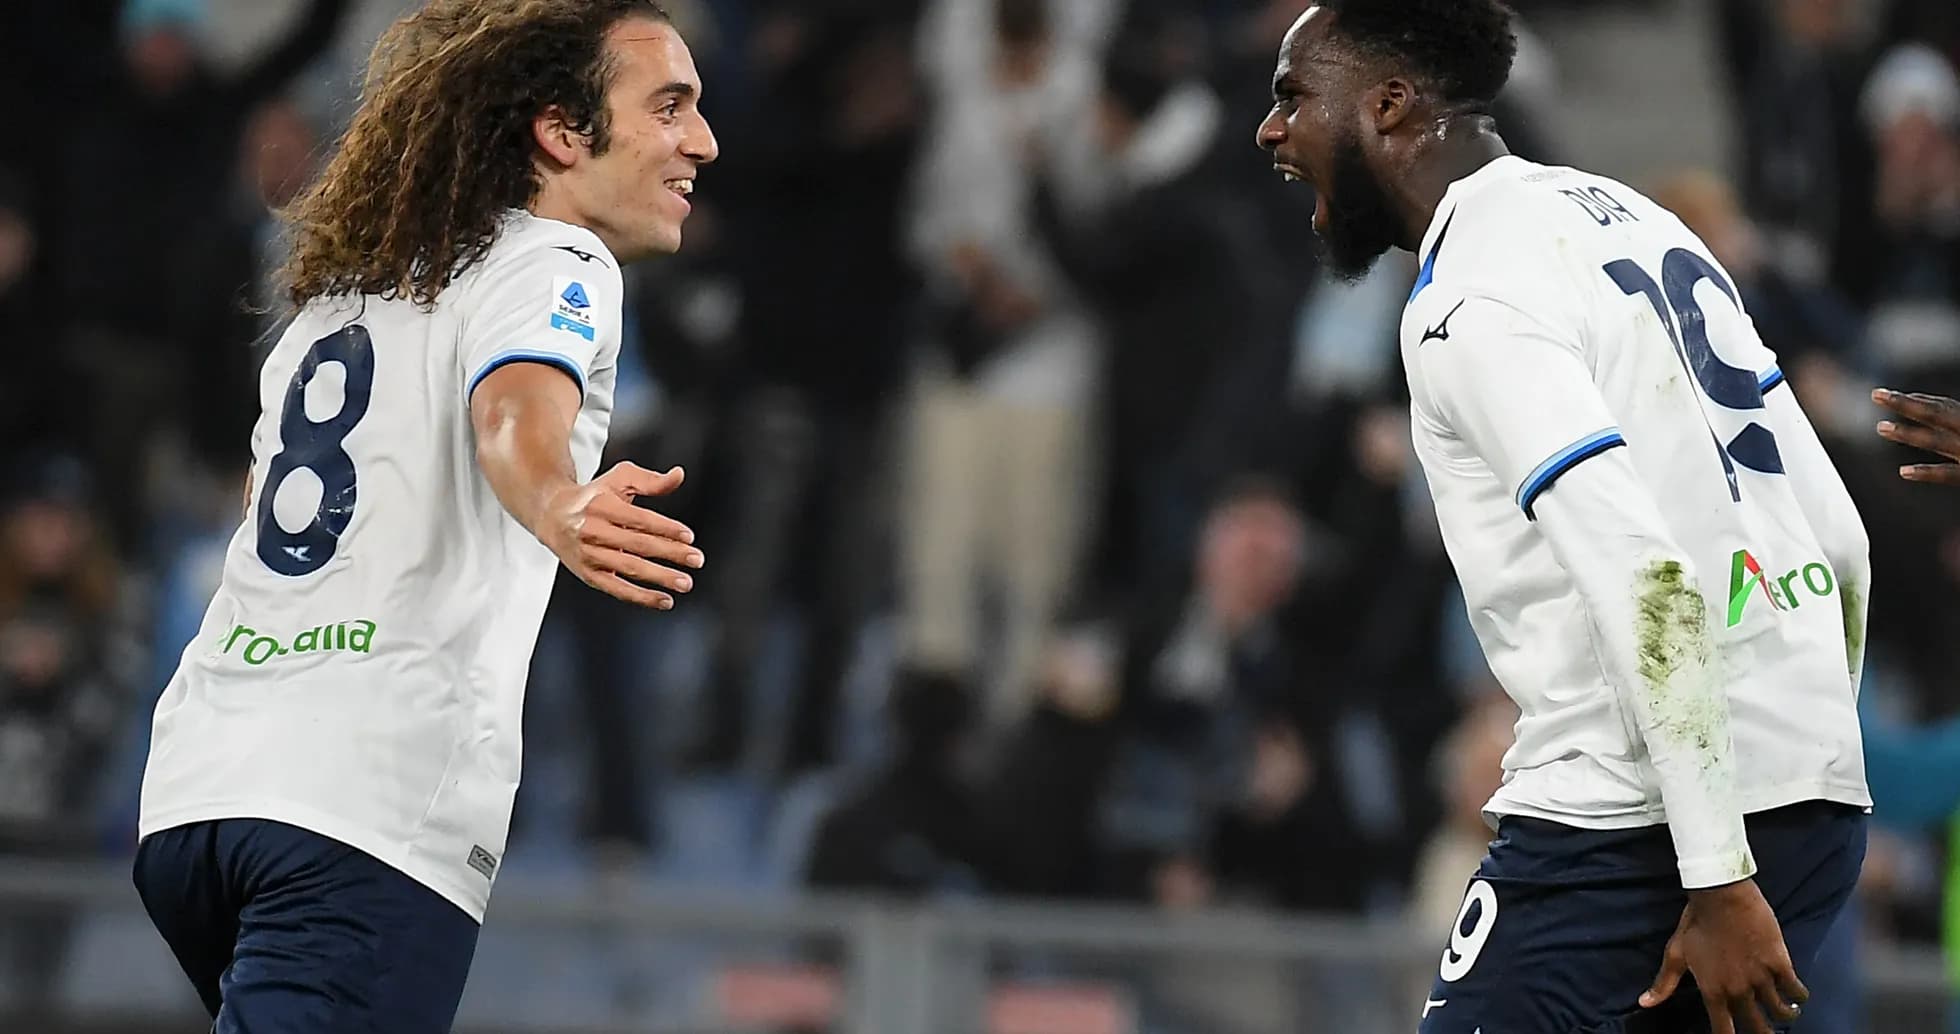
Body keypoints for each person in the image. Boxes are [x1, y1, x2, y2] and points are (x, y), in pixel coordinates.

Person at [1255, 4, 1873, 1034]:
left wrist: (1715, 872)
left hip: (1629, 823)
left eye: (1290, 96)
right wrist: (1798, 754)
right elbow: (1837, 538)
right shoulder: (1637, 218)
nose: (1271, 131)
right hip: (1806, 803)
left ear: (1388, 102)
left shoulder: (1469, 299)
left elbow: (1649, 577)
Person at [130, 2, 717, 1030]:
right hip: (361, 799)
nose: (701, 141)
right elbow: (512, 414)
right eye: (668, 106)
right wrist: (558, 498)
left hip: (203, 787)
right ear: (561, 133)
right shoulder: (556, 261)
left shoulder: (346, 293)